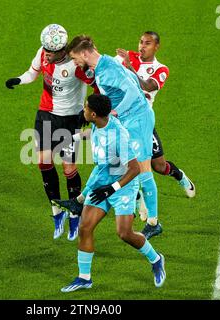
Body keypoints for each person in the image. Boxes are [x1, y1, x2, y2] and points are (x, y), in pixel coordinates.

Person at [53, 35, 161, 240]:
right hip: (129, 118)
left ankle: (153, 222)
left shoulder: (107, 69)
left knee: (142, 169)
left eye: (75, 58)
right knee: (108, 160)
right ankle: (80, 200)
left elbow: (132, 93)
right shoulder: (103, 67)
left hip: (138, 119)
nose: (75, 63)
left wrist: (115, 113)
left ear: (84, 53)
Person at [60, 94, 166, 292]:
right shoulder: (97, 123)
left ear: (93, 113)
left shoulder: (119, 136)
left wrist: (113, 188)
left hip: (124, 186)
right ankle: (84, 278)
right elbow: (96, 133)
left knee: (124, 233)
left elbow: (134, 168)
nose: (83, 110)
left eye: (85, 108)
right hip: (103, 183)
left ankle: (156, 259)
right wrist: (73, 137)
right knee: (85, 227)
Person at [5, 24, 97, 241]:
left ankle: (75, 214)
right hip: (46, 115)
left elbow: (96, 84)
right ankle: (57, 213)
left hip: (70, 119)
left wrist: (89, 111)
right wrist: (18, 80)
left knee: (68, 167)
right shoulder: (44, 52)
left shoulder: (76, 65)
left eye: (50, 51)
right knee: (44, 163)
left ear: (62, 50)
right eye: (44, 49)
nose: (46, 54)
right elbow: (32, 73)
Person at [115, 31, 196, 235]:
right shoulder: (126, 57)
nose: (142, 46)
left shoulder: (160, 69)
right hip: (123, 122)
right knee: (127, 164)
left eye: (147, 43)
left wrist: (129, 67)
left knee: (158, 166)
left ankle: (180, 176)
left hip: (143, 123)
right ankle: (140, 202)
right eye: (141, 42)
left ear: (156, 47)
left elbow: (146, 86)